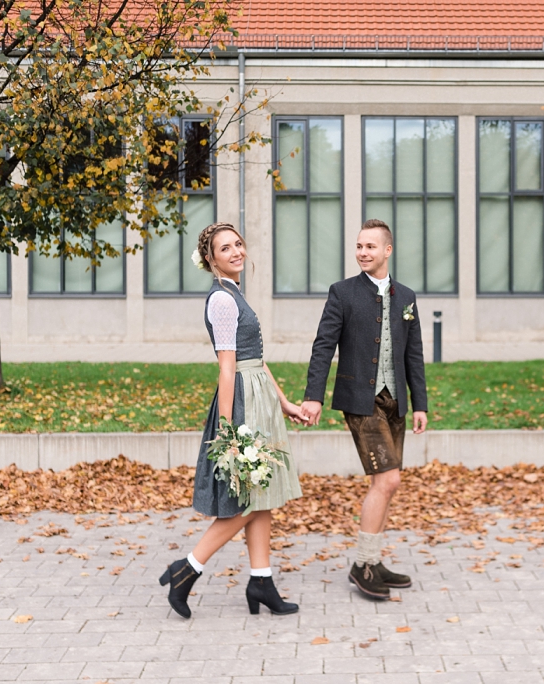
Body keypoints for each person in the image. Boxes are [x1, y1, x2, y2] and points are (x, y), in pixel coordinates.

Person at [160, 222, 306, 618]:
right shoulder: (222, 301)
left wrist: (286, 402)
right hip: (242, 401)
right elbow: (228, 368)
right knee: (246, 501)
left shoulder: (234, 294)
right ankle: (186, 571)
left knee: (262, 499)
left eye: (238, 244)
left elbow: (256, 358)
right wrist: (227, 430)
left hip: (259, 393)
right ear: (210, 259)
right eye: (226, 248)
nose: (236, 252)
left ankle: (262, 581)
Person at [300, 218, 428, 600]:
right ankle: (362, 564)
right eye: (359, 246)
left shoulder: (406, 297)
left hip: (396, 402)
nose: (362, 253)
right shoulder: (342, 293)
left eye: (370, 247)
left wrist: (419, 403)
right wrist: (314, 395)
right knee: (389, 480)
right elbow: (324, 346)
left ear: (387, 250)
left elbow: (414, 354)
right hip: (360, 399)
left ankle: (373, 560)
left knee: (383, 486)